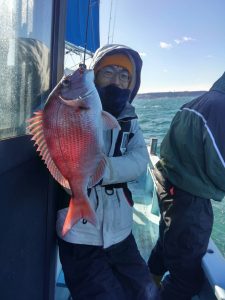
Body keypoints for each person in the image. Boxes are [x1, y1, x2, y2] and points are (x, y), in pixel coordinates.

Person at [56, 44, 159, 300]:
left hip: (122, 233)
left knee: (147, 292)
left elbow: (139, 159)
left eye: (124, 76)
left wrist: (104, 170)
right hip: (80, 236)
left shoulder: (130, 119)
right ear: (95, 74)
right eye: (108, 72)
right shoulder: (68, 110)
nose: (116, 80)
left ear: (131, 85)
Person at [148, 72, 225, 300]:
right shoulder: (221, 108)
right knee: (186, 280)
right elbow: (220, 163)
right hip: (189, 197)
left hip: (170, 186)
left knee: (167, 240)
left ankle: (148, 284)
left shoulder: (195, 103)